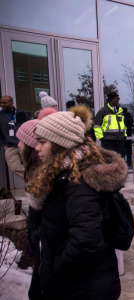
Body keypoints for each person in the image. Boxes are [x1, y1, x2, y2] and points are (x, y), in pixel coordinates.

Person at [25, 105, 127, 299]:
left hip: (83, 289)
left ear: (59, 143)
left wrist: (55, 270)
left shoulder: (79, 182)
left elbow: (85, 240)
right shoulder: (62, 175)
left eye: (41, 141)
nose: (36, 148)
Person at [16, 107, 57, 300]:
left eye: (21, 141)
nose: (18, 145)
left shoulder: (49, 183)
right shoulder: (36, 179)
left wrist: (36, 238)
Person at [0, 95, 31, 179]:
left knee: (29, 165)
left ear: (11, 102)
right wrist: (3, 144)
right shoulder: (1, 115)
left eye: (4, 103)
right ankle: (33, 179)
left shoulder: (21, 113)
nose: (2, 105)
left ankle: (34, 185)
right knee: (14, 168)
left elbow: (29, 126)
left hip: (23, 144)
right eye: (1, 103)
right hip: (9, 146)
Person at [94, 91, 126, 156]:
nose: (118, 100)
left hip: (120, 140)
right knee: (109, 161)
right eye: (116, 98)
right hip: (108, 141)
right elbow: (97, 125)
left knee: (120, 161)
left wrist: (124, 135)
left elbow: (124, 125)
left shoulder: (120, 111)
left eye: (118, 98)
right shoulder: (103, 111)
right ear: (111, 99)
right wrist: (101, 138)